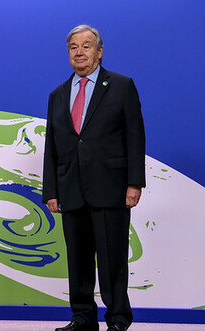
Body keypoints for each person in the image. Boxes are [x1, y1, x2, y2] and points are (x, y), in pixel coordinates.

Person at [42, 25, 145, 331]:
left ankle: (117, 319)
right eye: (74, 47)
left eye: (87, 46)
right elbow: (52, 147)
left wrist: (134, 182)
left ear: (99, 52)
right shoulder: (57, 94)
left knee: (113, 260)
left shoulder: (121, 86)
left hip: (110, 187)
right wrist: (51, 190)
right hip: (70, 188)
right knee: (78, 261)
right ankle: (83, 318)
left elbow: (135, 137)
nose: (80, 52)